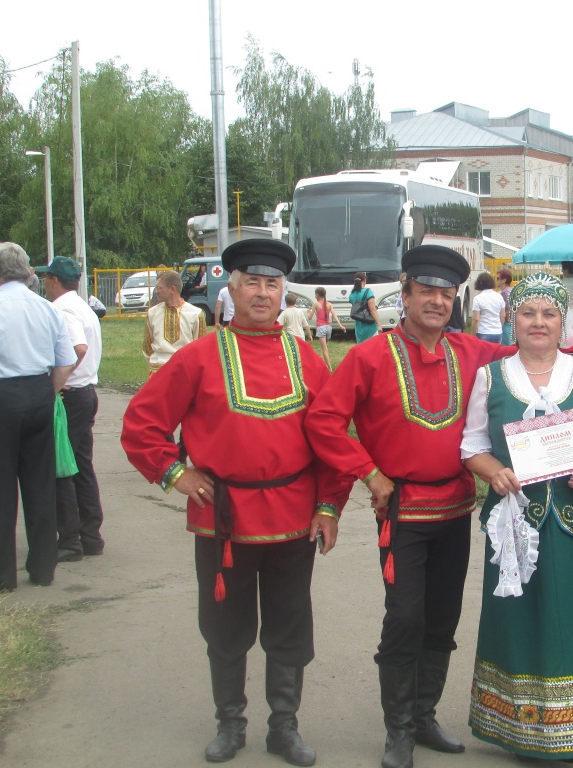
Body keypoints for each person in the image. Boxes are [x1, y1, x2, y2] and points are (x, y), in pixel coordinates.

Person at [121, 239, 351, 766]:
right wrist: (175, 472)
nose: (263, 293)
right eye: (252, 282)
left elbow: (333, 440)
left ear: (283, 292)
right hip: (222, 519)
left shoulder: (308, 361)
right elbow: (141, 424)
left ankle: (284, 727)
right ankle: (231, 722)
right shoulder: (198, 358)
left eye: (273, 284)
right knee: (225, 627)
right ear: (231, 287)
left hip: (295, 519)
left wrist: (330, 505)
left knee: (290, 624)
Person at [305, 246, 514, 768]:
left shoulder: (472, 352)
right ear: (406, 296)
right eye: (427, 292)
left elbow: (537, 354)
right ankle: (397, 729)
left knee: (443, 618)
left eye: (447, 294)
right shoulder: (369, 356)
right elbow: (323, 422)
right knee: (404, 619)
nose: (437, 302)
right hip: (401, 513)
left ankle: (423, 716)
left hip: (456, 510)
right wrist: (368, 472)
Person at [462, 272, 573, 761]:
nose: (538, 322)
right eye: (528, 313)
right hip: (516, 523)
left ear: (564, 322)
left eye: (549, 314)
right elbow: (472, 444)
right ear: (512, 320)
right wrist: (494, 471)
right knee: (521, 618)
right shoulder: (491, 376)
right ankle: (521, 723)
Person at [0, 243, 76, 592]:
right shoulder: (47, 309)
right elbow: (66, 360)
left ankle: (1, 575)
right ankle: (42, 567)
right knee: (40, 484)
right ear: (27, 273)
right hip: (39, 393)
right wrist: (48, 393)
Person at [36, 256, 106, 562]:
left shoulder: (61, 309)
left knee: (62, 467)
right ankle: (90, 534)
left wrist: (57, 380)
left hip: (72, 394)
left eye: (45, 280)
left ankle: (71, 538)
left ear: (53, 281)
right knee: (81, 466)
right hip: (86, 391)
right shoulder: (81, 306)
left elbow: (78, 348)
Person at [143, 271, 206, 377]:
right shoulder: (152, 313)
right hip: (157, 371)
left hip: (183, 371)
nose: (156, 292)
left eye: (159, 288)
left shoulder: (195, 314)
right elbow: (147, 346)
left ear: (172, 289)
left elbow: (201, 348)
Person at [307, 287, 345, 371]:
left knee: (324, 350)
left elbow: (310, 317)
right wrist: (340, 325)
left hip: (321, 327)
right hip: (328, 328)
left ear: (317, 294)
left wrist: (308, 312)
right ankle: (324, 361)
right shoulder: (329, 304)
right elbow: (334, 315)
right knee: (325, 347)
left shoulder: (316, 304)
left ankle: (329, 367)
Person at [471, 272, 506, 343]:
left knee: (483, 354)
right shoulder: (499, 297)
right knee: (496, 354)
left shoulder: (477, 298)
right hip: (497, 332)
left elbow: (476, 319)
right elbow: (503, 316)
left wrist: (473, 335)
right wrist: (499, 327)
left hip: (483, 332)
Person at [349, 271, 381, 343]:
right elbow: (372, 309)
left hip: (358, 327)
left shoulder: (352, 293)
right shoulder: (368, 291)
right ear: (364, 280)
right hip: (369, 326)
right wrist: (379, 324)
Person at [496, 268, 514, 344]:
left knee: (506, 349)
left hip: (506, 323)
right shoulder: (512, 290)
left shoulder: (504, 293)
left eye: (498, 278)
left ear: (504, 280)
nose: (496, 281)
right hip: (513, 323)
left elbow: (504, 312)